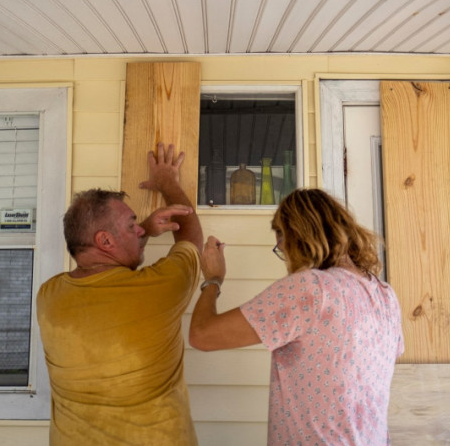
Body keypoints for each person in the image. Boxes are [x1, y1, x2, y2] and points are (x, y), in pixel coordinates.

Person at [189, 188, 404, 445]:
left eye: (280, 235)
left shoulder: (311, 288)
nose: (281, 247)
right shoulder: (384, 295)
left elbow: (202, 335)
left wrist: (213, 279)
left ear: (296, 234)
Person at [36, 143, 204, 445]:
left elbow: (109, 261)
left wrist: (142, 231)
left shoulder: (49, 297)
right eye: (131, 225)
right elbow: (190, 237)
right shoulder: (158, 290)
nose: (139, 230)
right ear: (105, 240)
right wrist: (168, 183)